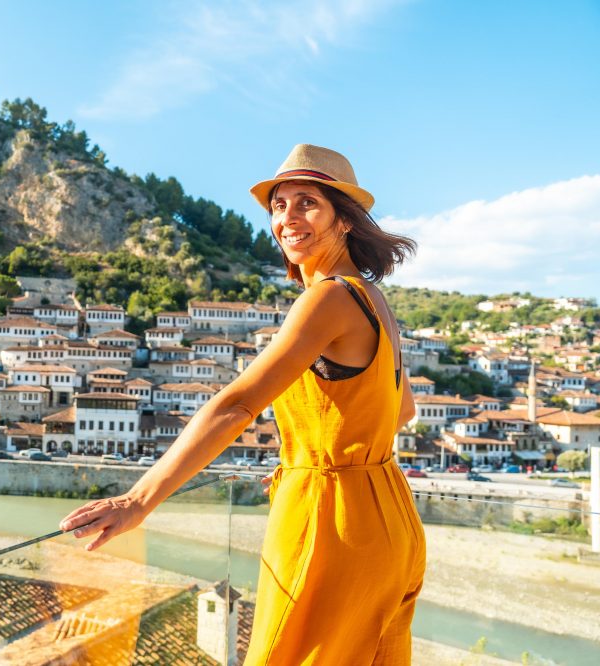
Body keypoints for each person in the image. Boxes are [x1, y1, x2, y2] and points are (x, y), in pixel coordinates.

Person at [59, 144, 425, 664]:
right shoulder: (371, 298)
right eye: (279, 205)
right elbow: (402, 409)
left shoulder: (327, 298)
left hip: (332, 517)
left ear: (345, 220)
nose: (287, 218)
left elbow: (235, 407)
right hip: (390, 514)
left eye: (307, 203)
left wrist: (136, 501)